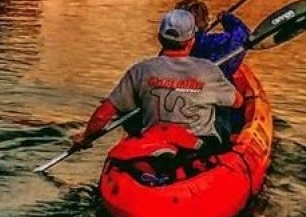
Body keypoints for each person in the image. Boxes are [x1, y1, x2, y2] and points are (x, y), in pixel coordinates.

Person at [71, 9, 242, 157]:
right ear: (192, 41)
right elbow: (237, 101)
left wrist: (86, 137)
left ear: (159, 38)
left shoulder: (141, 70)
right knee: (222, 111)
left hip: (154, 142)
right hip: (199, 146)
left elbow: (103, 115)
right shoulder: (208, 70)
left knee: (134, 110)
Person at [175, 0, 252, 78]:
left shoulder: (171, 43)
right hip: (203, 84)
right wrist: (228, 19)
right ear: (204, 21)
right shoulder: (206, 43)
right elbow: (242, 35)